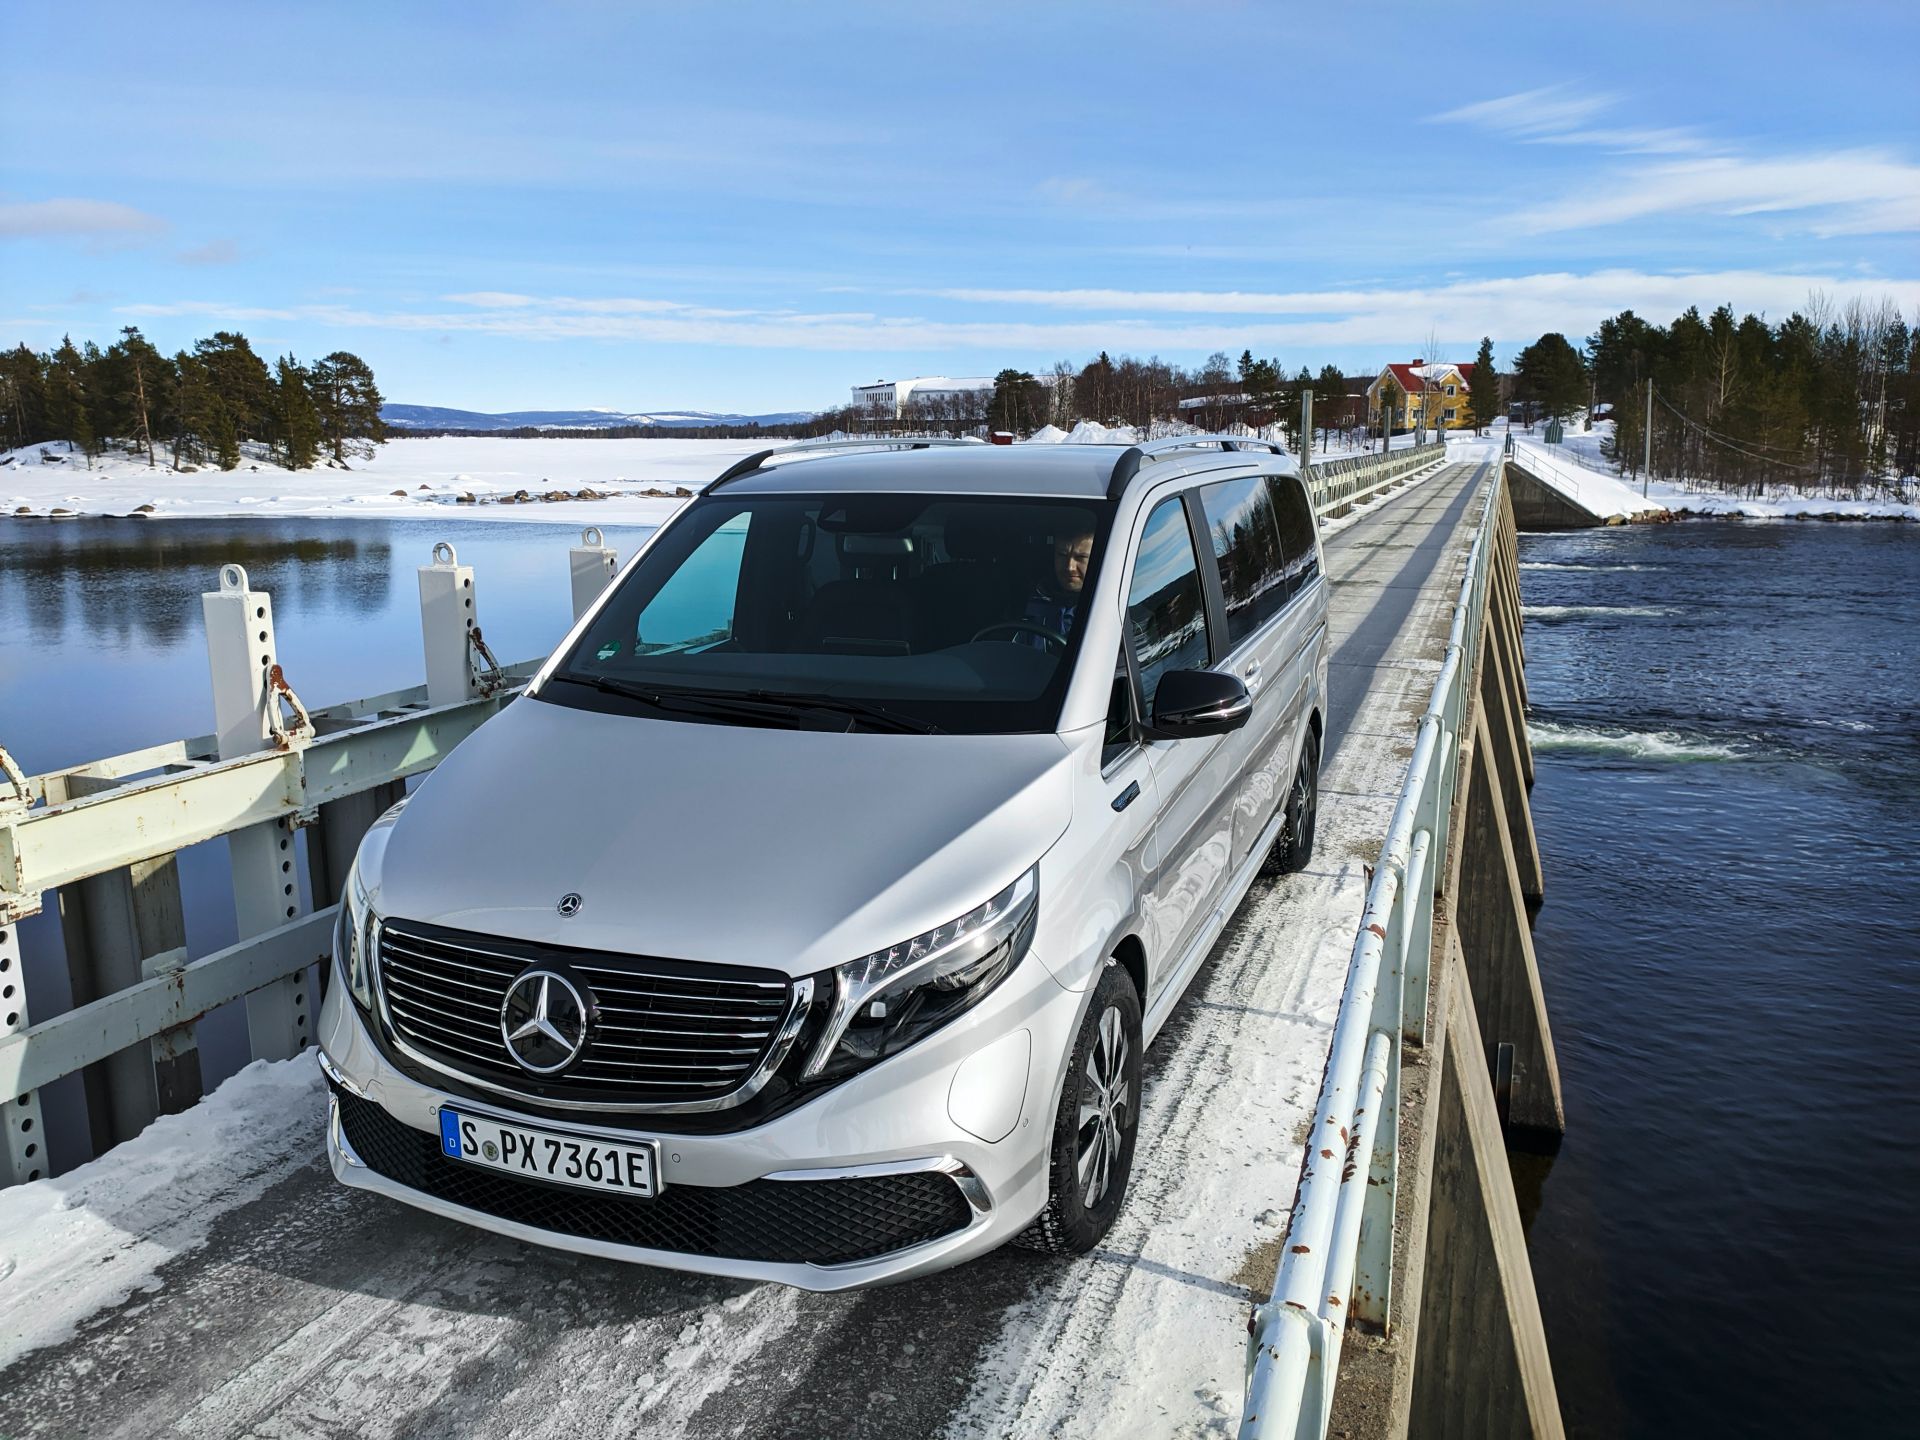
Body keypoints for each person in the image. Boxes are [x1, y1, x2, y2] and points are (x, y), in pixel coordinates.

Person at [1022, 522, 1094, 645]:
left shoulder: (1107, 607)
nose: (1069, 567)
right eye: (1062, 555)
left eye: (1081, 557)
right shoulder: (1030, 597)